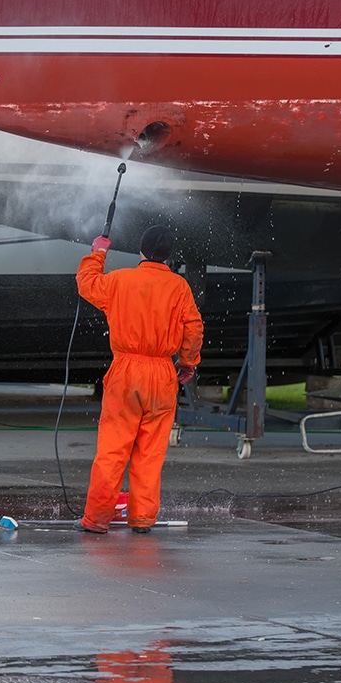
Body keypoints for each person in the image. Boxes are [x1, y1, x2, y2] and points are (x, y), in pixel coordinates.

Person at [74, 224, 203, 534]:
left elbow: (86, 283)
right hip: (162, 375)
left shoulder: (120, 281)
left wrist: (98, 252)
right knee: (150, 452)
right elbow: (194, 329)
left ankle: (96, 520)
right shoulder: (179, 287)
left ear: (141, 250)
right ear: (169, 256)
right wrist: (187, 363)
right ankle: (143, 519)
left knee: (113, 450)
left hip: (126, 372)